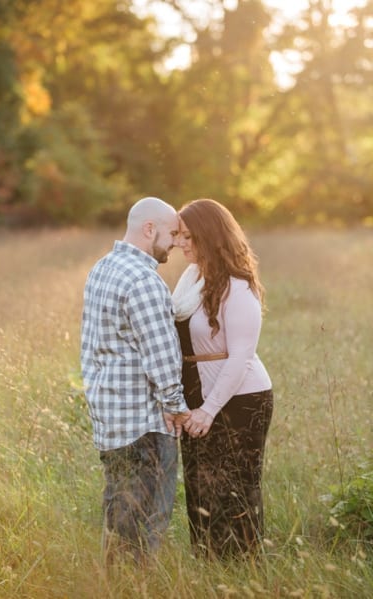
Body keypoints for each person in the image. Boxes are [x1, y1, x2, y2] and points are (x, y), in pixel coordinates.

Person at [80, 196, 190, 561]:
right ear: (149, 229)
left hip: (110, 419)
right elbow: (161, 358)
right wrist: (176, 407)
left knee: (119, 514)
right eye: (172, 233)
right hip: (143, 423)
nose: (176, 241)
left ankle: (115, 583)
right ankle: (133, 586)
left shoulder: (103, 267)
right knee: (145, 525)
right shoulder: (144, 281)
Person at [171, 198, 273, 558]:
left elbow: (241, 357)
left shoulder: (238, 285)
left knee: (235, 489)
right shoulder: (192, 278)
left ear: (209, 235)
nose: (179, 243)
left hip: (240, 399)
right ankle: (210, 567)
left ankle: (244, 569)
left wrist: (209, 409)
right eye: (177, 236)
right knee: (201, 487)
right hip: (200, 397)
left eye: (187, 236)